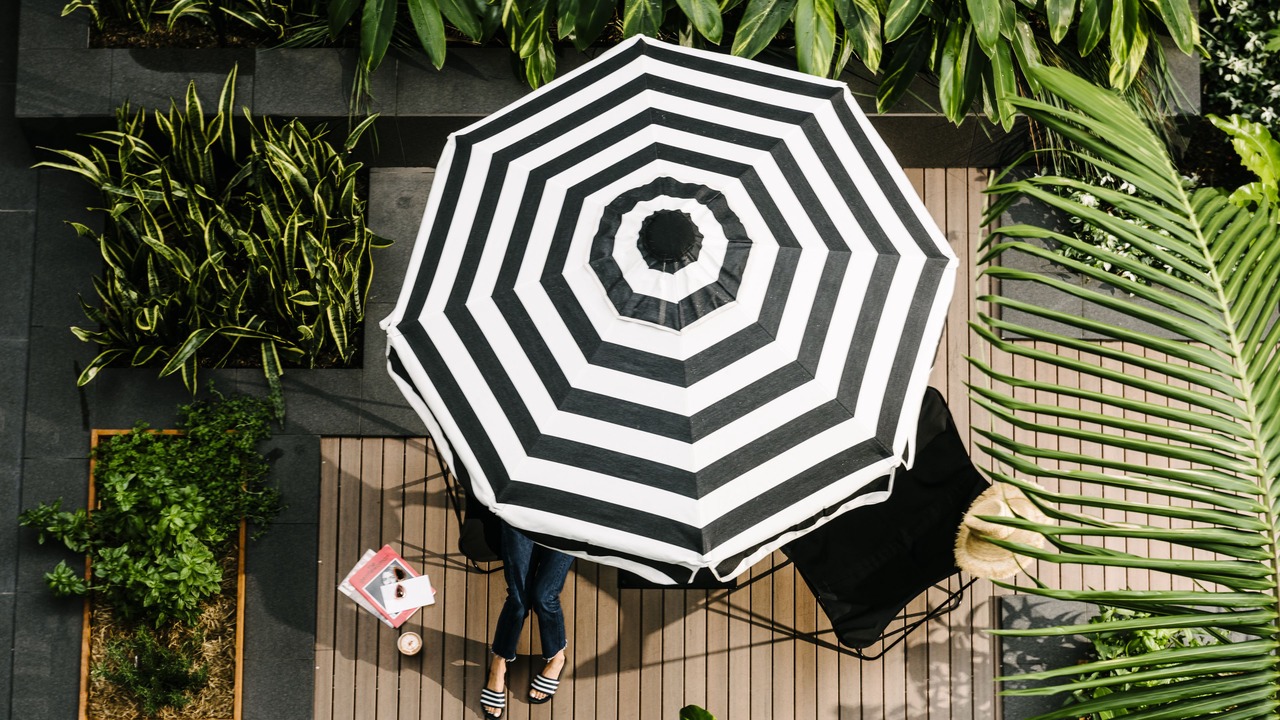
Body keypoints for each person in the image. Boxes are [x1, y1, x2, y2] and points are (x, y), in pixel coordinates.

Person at [480, 519, 575, 719]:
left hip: (567, 515)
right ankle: (498, 663)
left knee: (544, 596)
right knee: (518, 599)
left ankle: (557, 656)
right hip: (521, 510)